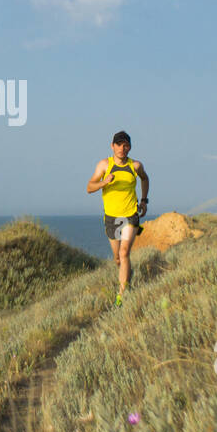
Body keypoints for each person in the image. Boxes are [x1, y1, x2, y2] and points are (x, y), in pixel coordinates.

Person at [85, 130, 149, 306]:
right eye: (119, 144)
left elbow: (145, 178)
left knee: (124, 252)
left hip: (130, 215)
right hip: (112, 217)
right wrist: (104, 182)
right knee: (118, 259)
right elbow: (89, 187)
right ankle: (126, 274)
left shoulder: (135, 166)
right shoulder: (104, 165)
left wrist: (143, 200)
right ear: (112, 146)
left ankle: (121, 295)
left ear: (129, 147)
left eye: (125, 144)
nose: (122, 148)